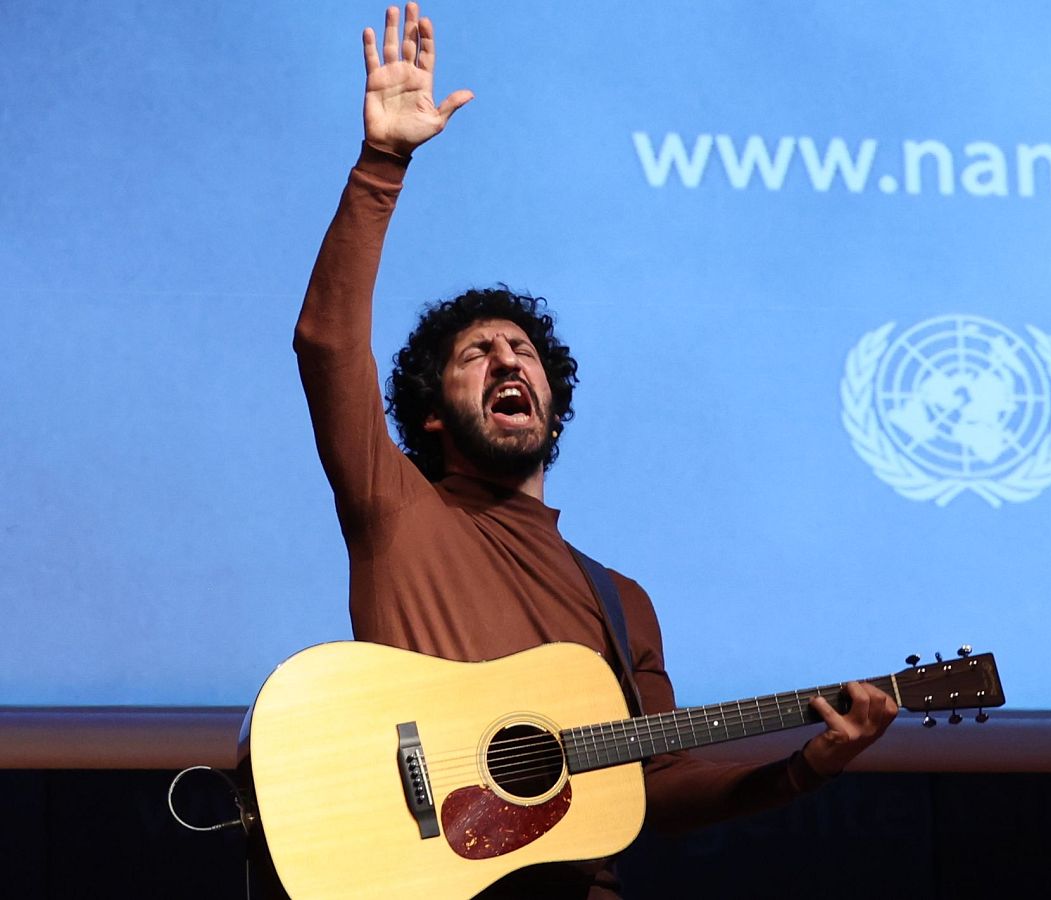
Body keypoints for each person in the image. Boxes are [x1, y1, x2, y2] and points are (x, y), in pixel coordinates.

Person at [287, 4, 897, 897]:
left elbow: (658, 789)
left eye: (521, 351)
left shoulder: (620, 604)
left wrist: (806, 766)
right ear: (428, 416)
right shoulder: (397, 513)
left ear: (551, 403)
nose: (505, 358)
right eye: (475, 354)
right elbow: (327, 346)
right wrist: (384, 164)